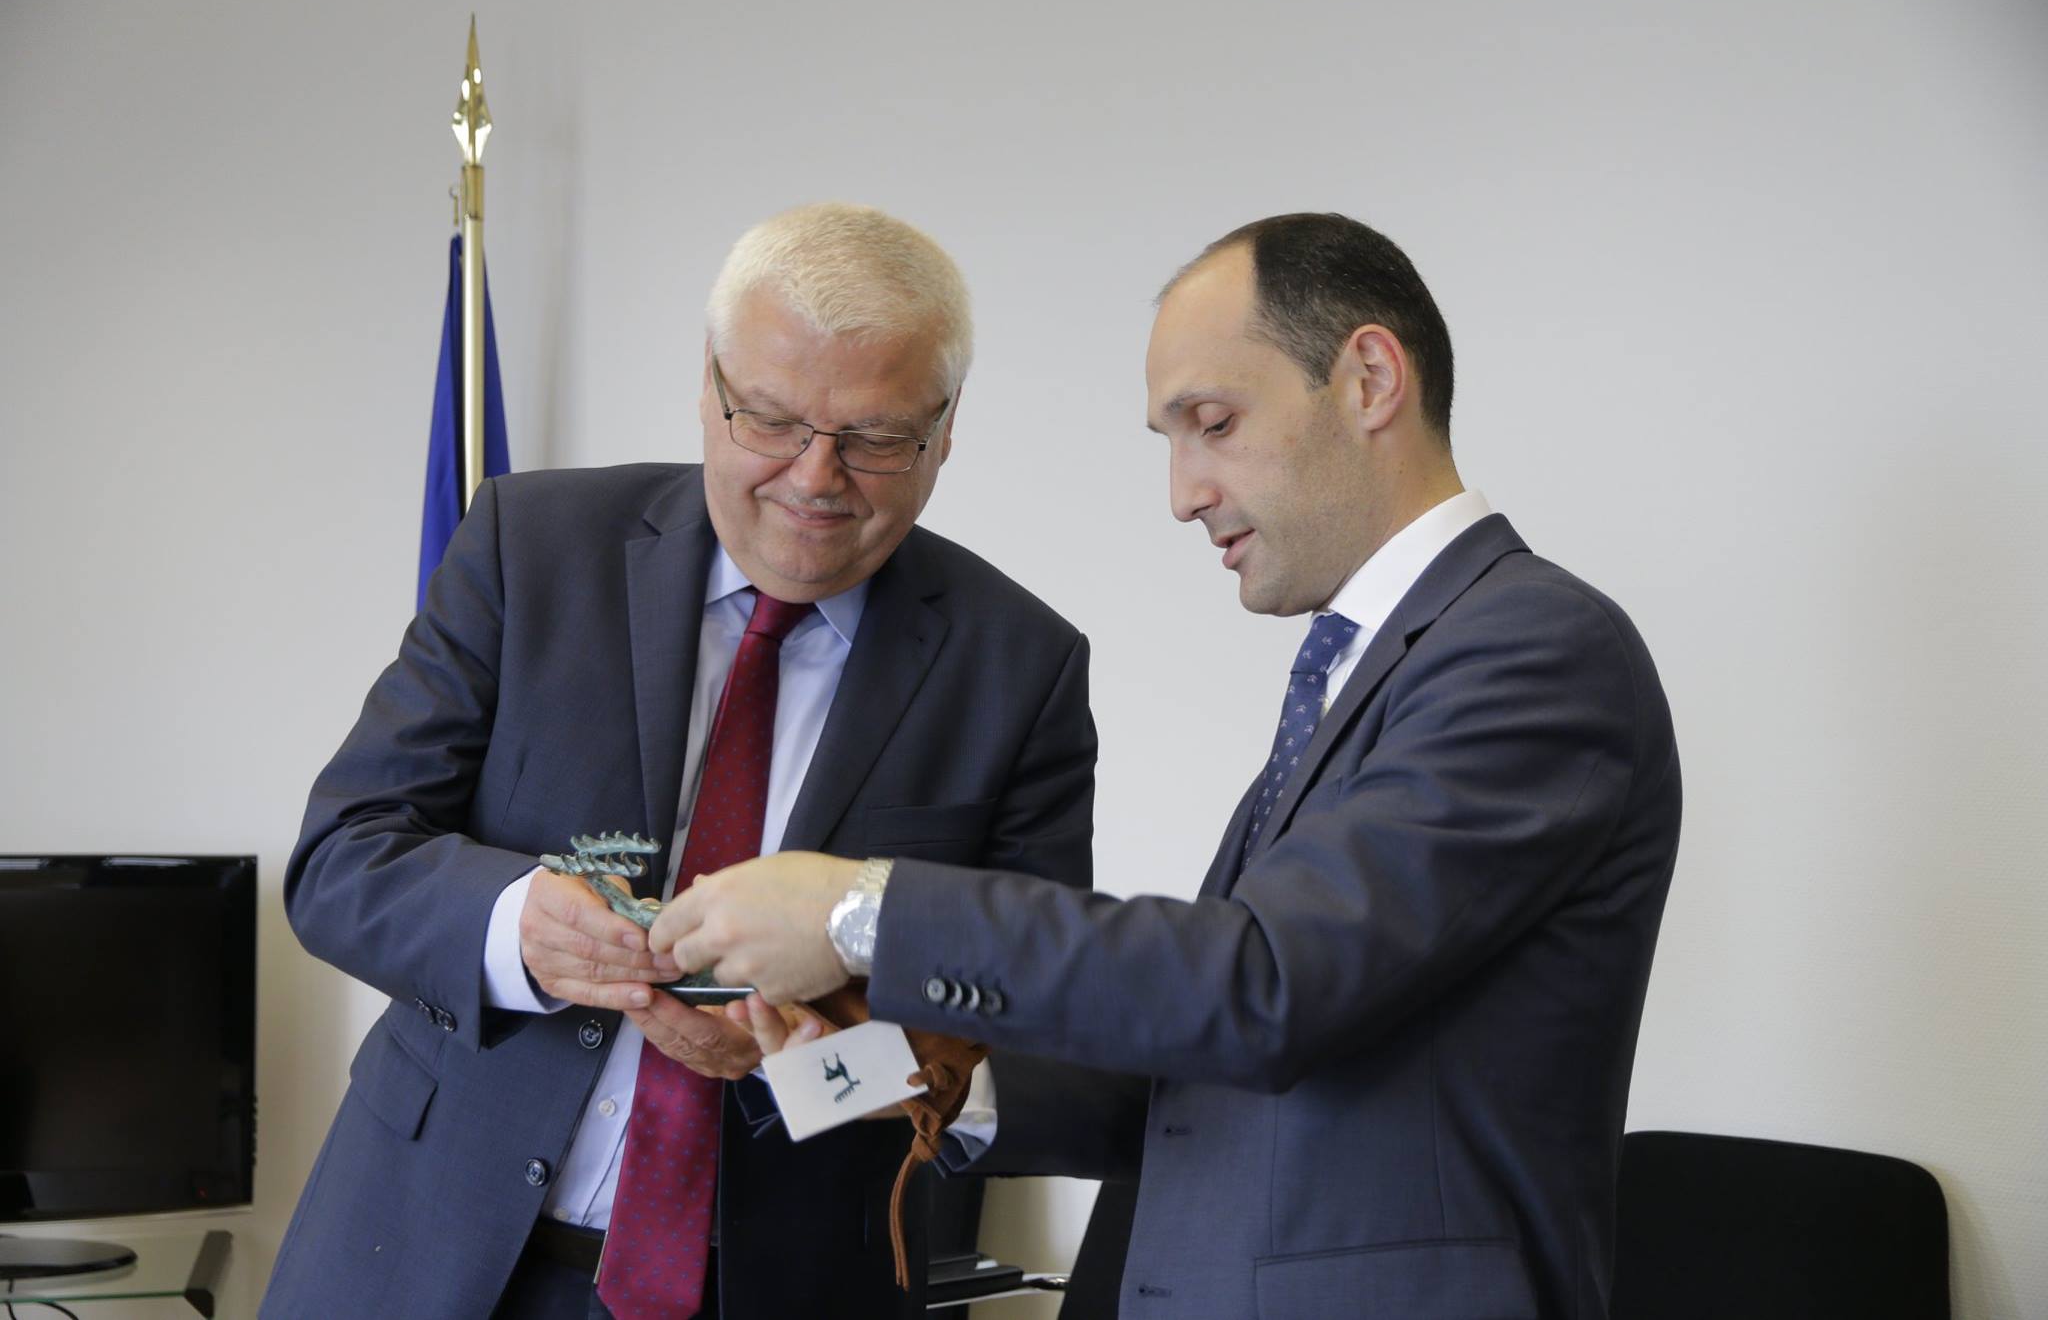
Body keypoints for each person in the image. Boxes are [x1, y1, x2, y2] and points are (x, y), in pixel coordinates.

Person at [655, 212, 1683, 1319]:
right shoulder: (1363, 671)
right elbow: (1196, 1073)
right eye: (1171, 440)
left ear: (1371, 380)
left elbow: (1263, 984)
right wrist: (874, 1075)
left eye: (1213, 424)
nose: (1183, 492)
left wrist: (858, 911)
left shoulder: (1532, 648)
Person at [262, 202, 1097, 1320]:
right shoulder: (529, 546)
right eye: (772, 420)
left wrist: (809, 1066)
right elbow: (340, 861)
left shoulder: (1018, 666)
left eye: (875, 437)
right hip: (419, 1256)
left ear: (945, 429)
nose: (815, 477)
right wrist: (517, 929)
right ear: (708, 384)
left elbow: (1032, 1029)